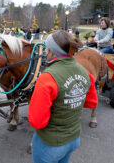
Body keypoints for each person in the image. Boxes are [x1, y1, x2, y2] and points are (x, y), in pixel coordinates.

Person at [28, 31, 98, 163]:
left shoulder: (47, 78)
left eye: (46, 48)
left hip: (50, 145)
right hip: (74, 138)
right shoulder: (85, 72)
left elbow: (37, 121)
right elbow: (91, 102)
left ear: (52, 51)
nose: (44, 51)